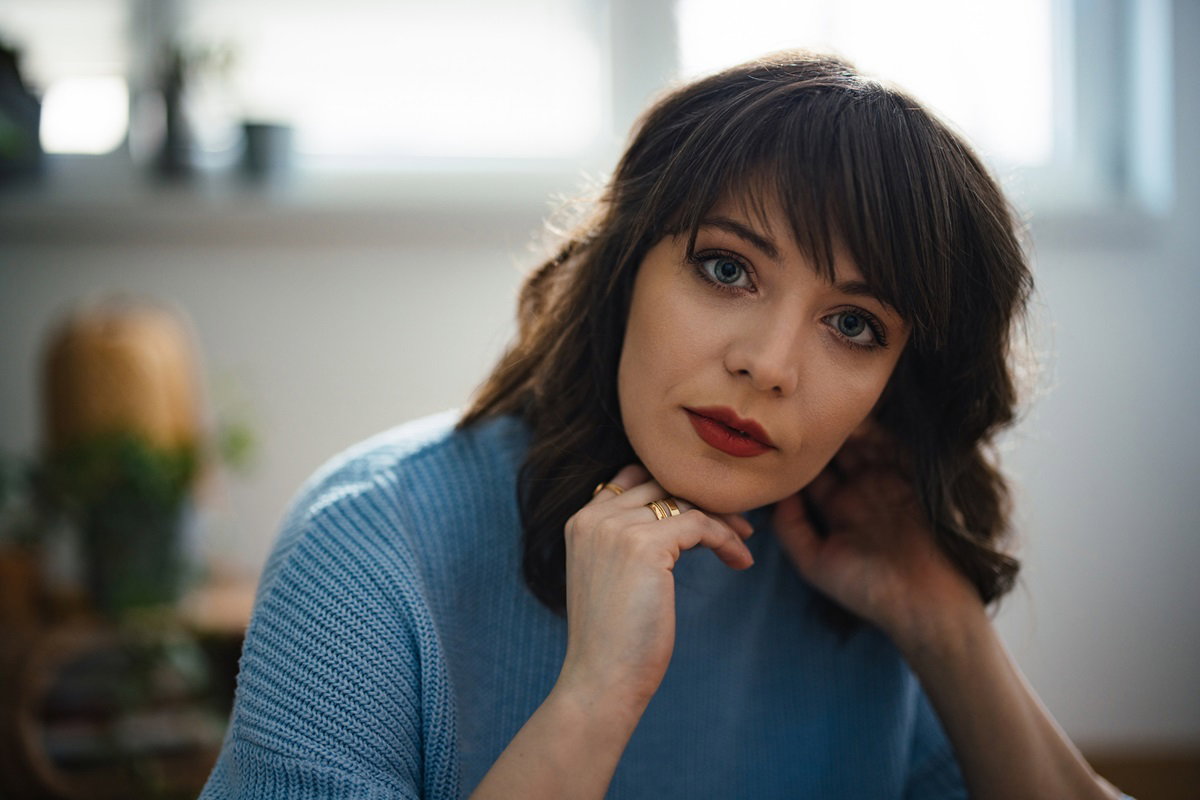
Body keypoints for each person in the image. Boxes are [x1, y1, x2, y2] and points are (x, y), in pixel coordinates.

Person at [201, 52, 1132, 799]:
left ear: (894, 385)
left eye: (853, 325)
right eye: (728, 269)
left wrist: (947, 633)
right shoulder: (371, 544)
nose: (767, 364)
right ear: (626, 270)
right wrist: (599, 692)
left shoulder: (861, 566)